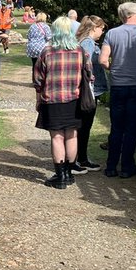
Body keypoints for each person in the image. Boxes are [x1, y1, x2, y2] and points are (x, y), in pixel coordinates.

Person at [99, 1, 136, 178]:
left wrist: (114, 69)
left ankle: (110, 166)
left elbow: (103, 60)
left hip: (117, 86)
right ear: (134, 14)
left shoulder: (111, 33)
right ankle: (126, 166)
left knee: (116, 127)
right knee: (132, 128)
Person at [33, 16, 92, 188]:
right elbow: (90, 74)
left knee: (57, 137)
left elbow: (38, 80)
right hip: (75, 99)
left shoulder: (47, 52)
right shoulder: (81, 51)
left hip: (53, 100)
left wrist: (38, 99)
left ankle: (60, 176)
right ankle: (68, 173)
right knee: (72, 135)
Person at [73, 15, 108, 174]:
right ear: (94, 27)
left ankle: (80, 157)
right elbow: (84, 64)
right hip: (89, 89)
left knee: (83, 125)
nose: (102, 32)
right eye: (101, 28)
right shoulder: (87, 43)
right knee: (84, 126)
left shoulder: (83, 41)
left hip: (88, 88)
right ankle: (82, 159)